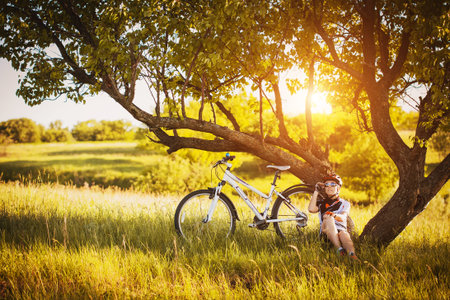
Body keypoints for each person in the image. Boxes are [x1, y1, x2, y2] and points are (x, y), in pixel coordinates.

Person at [308, 173, 358, 260]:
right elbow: (311, 209)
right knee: (327, 217)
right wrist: (316, 191)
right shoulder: (322, 203)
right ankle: (339, 249)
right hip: (325, 233)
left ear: (338, 188)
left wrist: (333, 215)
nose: (329, 187)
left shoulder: (345, 203)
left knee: (343, 233)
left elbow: (343, 217)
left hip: (340, 232)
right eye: (326, 185)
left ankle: (352, 255)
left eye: (333, 184)